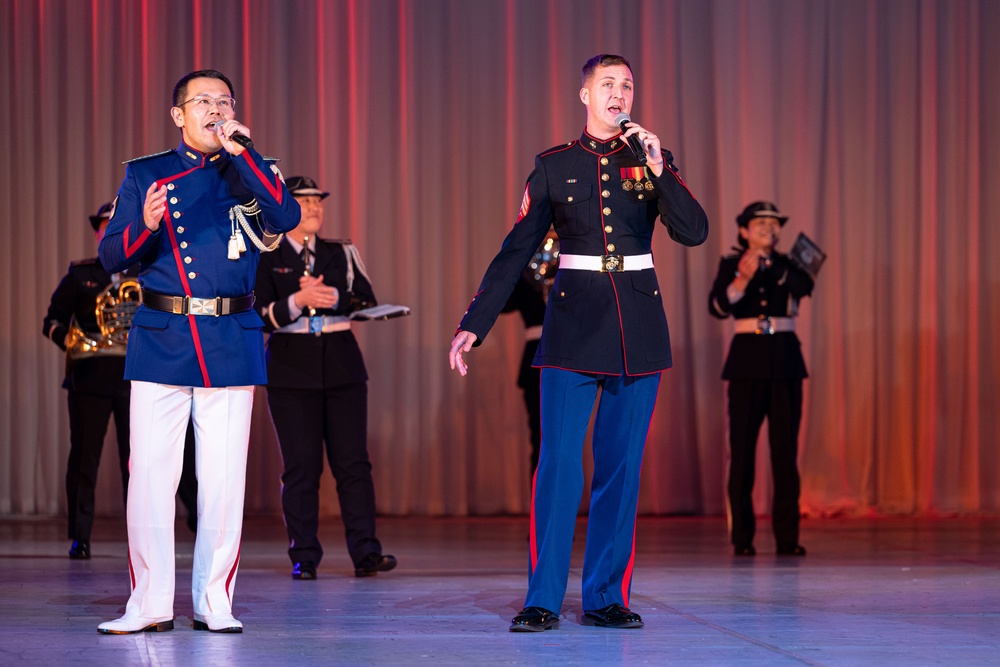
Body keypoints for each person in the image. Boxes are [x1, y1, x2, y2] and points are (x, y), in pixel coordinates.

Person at [449, 54, 708, 632]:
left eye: (628, 86)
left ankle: (605, 596)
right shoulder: (554, 166)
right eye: (608, 85)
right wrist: (476, 321)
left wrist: (661, 169)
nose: (620, 94)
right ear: (585, 95)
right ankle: (542, 598)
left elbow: (694, 232)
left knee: (621, 469)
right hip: (571, 327)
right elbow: (515, 250)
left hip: (637, 328)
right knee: (559, 466)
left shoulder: (649, 160)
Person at [96, 69, 300, 634]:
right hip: (163, 337)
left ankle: (215, 602)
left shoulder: (253, 169)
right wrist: (146, 223)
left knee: (223, 482)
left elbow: (285, 218)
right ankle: (148, 604)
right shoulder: (145, 173)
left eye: (224, 101)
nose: (215, 109)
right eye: (203, 101)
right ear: (178, 114)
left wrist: (246, 153)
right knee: (151, 480)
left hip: (230, 340)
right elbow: (111, 255)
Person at [254, 175, 396, 581]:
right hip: (289, 367)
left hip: (341, 365)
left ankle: (366, 552)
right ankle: (305, 557)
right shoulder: (267, 254)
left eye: (318, 202)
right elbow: (256, 314)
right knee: (301, 468)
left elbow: (367, 299)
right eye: (304, 202)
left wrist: (336, 298)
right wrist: (296, 302)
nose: (314, 208)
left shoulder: (341, 251)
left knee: (353, 464)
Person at [43, 205, 201, 561]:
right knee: (85, 459)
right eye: (104, 227)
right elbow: (51, 320)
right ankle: (79, 537)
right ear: (101, 234)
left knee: (140, 463)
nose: (108, 231)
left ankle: (144, 537)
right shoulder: (81, 273)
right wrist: (69, 341)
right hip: (90, 378)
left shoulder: (149, 272)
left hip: (139, 378)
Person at [708, 201, 813, 557]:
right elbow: (719, 307)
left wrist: (772, 268)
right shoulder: (730, 263)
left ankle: (787, 537)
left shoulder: (790, 263)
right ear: (744, 230)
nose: (769, 228)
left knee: (785, 453)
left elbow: (804, 285)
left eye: (773, 223)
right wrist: (743, 277)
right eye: (761, 223)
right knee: (742, 452)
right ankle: (742, 538)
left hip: (785, 360)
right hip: (746, 363)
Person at [499, 231, 559, 475]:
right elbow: (502, 304)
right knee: (539, 434)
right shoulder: (526, 278)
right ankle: (539, 508)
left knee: (561, 435)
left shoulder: (571, 273)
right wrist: (516, 265)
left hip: (565, 355)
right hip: (536, 359)